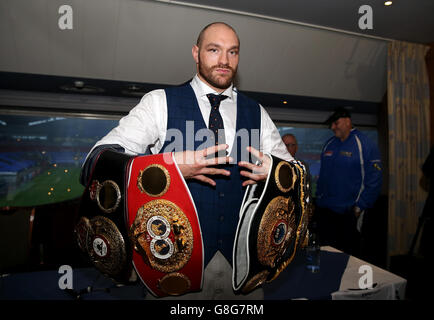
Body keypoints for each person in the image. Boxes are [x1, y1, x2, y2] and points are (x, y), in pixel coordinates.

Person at [80, 22, 293, 299]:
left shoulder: (257, 113)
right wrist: (168, 167)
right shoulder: (159, 103)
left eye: (233, 52)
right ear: (196, 53)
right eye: (214, 50)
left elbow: (294, 172)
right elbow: (97, 160)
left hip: (243, 268)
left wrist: (274, 170)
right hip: (172, 265)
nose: (224, 61)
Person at [315, 107, 382, 257]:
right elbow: (323, 176)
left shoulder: (364, 144)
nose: (332, 127)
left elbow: (374, 180)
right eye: (331, 124)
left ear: (347, 121)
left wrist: (359, 207)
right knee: (325, 255)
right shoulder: (329, 144)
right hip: (325, 211)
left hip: (348, 213)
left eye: (336, 123)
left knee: (347, 258)